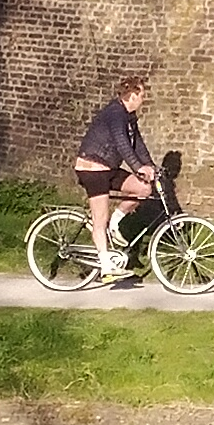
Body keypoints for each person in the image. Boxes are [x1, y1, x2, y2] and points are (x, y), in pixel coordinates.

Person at [73, 74, 156, 278]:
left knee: (143, 189)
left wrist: (150, 167)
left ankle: (115, 222)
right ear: (133, 95)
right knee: (100, 219)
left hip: (108, 167)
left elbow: (137, 144)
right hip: (92, 168)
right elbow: (122, 144)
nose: (144, 100)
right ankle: (106, 266)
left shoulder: (129, 117)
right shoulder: (115, 113)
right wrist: (137, 167)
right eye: (142, 95)